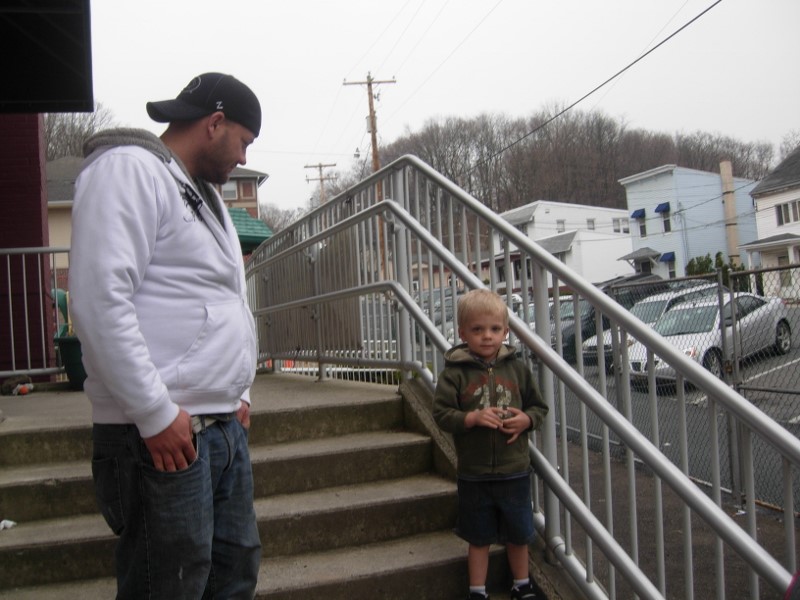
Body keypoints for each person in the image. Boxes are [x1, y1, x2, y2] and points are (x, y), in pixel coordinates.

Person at [69, 72, 263, 599]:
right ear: (215, 123)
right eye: (244, 141)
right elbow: (98, 299)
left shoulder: (202, 191)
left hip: (218, 427)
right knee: (167, 585)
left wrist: (236, 391)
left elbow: (221, 298)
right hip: (161, 432)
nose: (244, 159)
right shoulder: (128, 169)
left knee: (233, 572)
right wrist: (154, 412)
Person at [433, 289, 549, 600]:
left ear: (505, 332)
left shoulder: (517, 369)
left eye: (495, 329)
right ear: (462, 333)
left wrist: (527, 420)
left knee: (519, 533)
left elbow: (539, 408)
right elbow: (442, 415)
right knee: (478, 536)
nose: (487, 336)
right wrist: (471, 418)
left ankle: (521, 585)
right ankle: (477, 591)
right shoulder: (454, 373)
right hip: (474, 473)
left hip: (514, 470)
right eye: (477, 329)